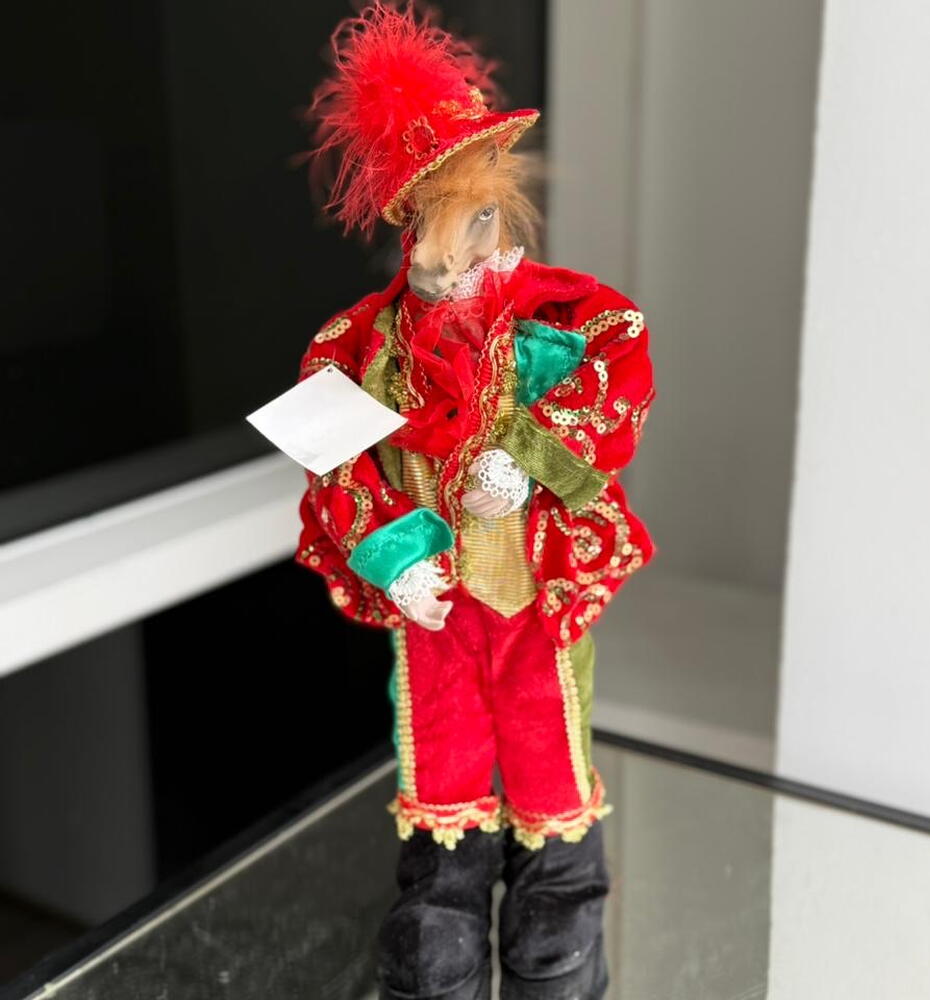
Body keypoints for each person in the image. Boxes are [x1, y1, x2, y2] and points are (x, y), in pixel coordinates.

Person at [294, 4, 656, 998]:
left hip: (531, 592)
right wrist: (395, 553)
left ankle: (558, 930)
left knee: (549, 756)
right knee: (443, 762)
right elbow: (335, 464)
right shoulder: (357, 347)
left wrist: (531, 457)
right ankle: (439, 933)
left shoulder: (567, 313)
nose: (450, 260)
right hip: (439, 604)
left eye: (474, 222)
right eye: (430, 228)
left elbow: (620, 379)